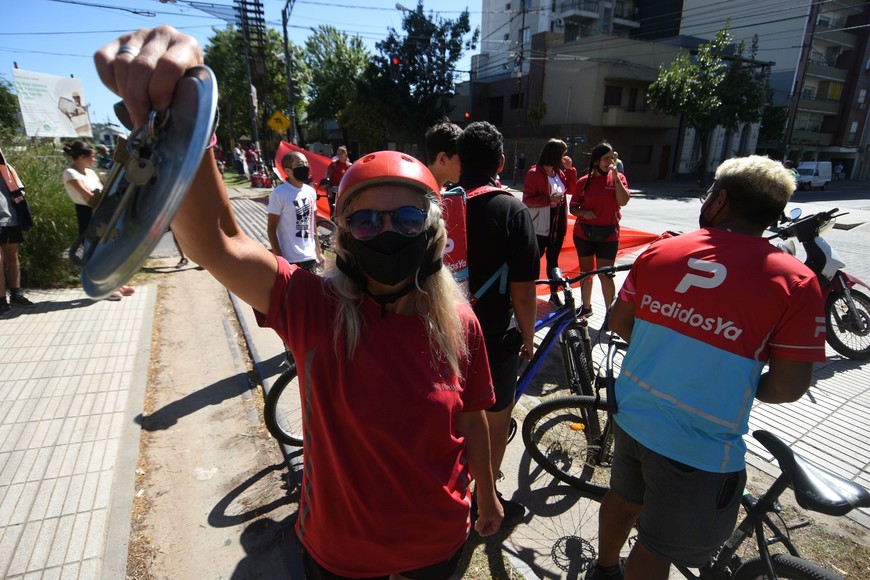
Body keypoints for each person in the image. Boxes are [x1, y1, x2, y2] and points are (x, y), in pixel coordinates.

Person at [94, 26, 504, 578]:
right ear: (346, 235)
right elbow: (214, 241)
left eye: (406, 218)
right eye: (365, 219)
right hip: (339, 556)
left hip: (438, 547)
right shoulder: (316, 308)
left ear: (431, 233)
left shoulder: (459, 322)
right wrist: (189, 116)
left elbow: (474, 416)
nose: (386, 232)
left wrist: (488, 494)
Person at [590, 155, 826, 580]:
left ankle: (603, 569)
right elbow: (789, 386)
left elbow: (621, 322)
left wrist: (668, 352)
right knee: (657, 547)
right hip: (698, 443)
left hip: (633, 413)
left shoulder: (663, 250)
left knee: (623, 498)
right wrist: (724, 380)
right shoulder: (796, 282)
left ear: (719, 201)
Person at [457, 121, 539, 526]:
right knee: (493, 417)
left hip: (441, 330)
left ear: (457, 161)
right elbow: (524, 292)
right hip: (490, 336)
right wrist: (529, 337)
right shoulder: (511, 209)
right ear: (501, 163)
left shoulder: (437, 203)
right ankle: (483, 497)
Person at [62, 141, 135, 301]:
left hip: (101, 212)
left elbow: (104, 191)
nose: (94, 159)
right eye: (92, 156)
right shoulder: (70, 173)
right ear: (82, 157)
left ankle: (116, 284)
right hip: (87, 214)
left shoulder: (90, 173)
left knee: (110, 249)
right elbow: (87, 196)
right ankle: (102, 288)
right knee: (94, 252)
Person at [569, 141, 630, 318]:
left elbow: (623, 201)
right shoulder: (583, 182)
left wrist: (616, 175)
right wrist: (584, 212)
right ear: (596, 161)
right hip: (584, 234)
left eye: (612, 158)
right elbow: (573, 208)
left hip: (609, 235)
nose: (610, 162)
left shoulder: (618, 178)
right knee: (586, 273)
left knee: (606, 275)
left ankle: (611, 314)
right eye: (605, 158)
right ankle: (586, 308)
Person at [522, 138, 576, 306]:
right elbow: (527, 200)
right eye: (563, 154)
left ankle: (554, 293)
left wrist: (570, 170)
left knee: (553, 258)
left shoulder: (559, 172)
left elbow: (572, 189)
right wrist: (548, 199)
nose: (564, 157)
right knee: (534, 259)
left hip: (557, 220)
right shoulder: (534, 173)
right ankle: (526, 293)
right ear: (554, 154)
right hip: (540, 222)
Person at [267, 151, 322, 272]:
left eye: (306, 163)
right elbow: (271, 228)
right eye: (299, 164)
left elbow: (312, 224)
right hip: (290, 259)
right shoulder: (279, 194)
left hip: (310, 256)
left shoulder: (310, 191)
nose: (305, 167)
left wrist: (319, 252)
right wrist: (280, 259)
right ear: (288, 171)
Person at [0, 147, 35, 314]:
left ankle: (16, 294)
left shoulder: (6, 167)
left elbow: (20, 189)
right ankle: (1, 300)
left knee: (12, 256)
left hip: (9, 217)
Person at [424, 121, 462, 189]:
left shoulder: (418, 190)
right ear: (442, 159)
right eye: (461, 158)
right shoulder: (417, 193)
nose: (465, 164)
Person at [324, 145, 351, 217]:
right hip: (333, 191)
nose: (340, 155)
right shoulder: (334, 164)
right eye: (338, 153)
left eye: (341, 153)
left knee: (344, 210)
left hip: (344, 191)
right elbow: (327, 177)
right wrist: (328, 189)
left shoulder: (349, 165)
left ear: (346, 154)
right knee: (333, 210)